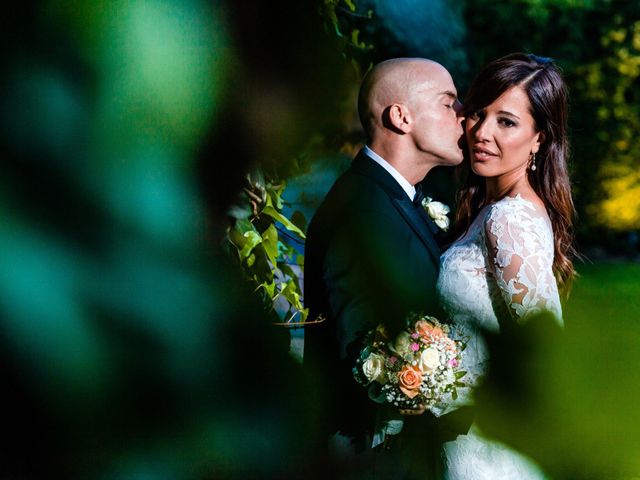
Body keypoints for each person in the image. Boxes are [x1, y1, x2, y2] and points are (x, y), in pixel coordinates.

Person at [303, 57, 466, 478]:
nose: (464, 118)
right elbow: (367, 352)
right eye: (449, 103)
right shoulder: (361, 210)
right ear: (401, 116)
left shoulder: (390, 197)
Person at [436, 52, 577, 479]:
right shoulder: (493, 210)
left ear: (539, 139)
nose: (481, 132)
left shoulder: (509, 219)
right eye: (478, 113)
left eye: (507, 122)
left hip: (487, 452)